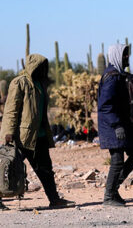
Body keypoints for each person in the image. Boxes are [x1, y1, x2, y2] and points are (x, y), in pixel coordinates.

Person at [0, 54, 74, 210]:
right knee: (8, 167)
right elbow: (11, 110)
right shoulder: (19, 83)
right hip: (22, 137)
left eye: (44, 67)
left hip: (39, 136)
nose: (42, 70)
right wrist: (8, 132)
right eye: (39, 66)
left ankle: (54, 199)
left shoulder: (40, 84)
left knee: (46, 169)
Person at [98, 44, 133, 207]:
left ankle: (113, 189)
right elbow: (105, 105)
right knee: (117, 160)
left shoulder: (118, 75)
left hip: (121, 123)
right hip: (113, 125)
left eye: (127, 55)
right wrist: (117, 125)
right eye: (124, 55)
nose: (127, 58)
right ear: (116, 56)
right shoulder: (112, 77)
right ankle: (109, 196)